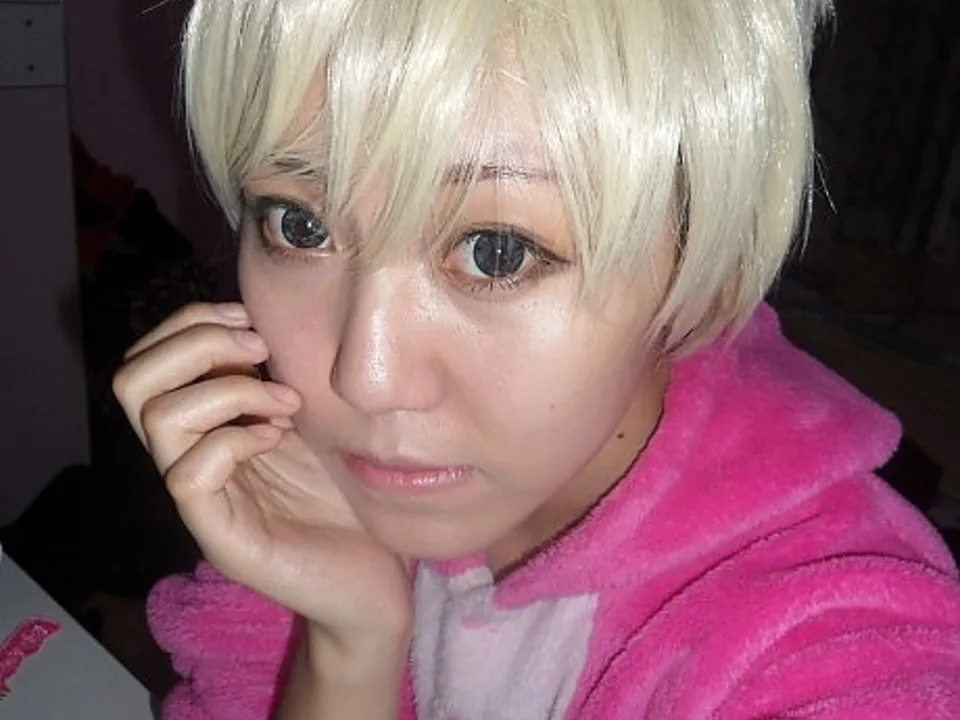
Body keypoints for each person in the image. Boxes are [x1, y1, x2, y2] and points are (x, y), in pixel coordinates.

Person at [112, 0, 960, 717]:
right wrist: (345, 647)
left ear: (705, 264)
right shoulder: (313, 487)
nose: (365, 379)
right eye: (300, 226)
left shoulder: (838, 635)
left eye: (497, 252)